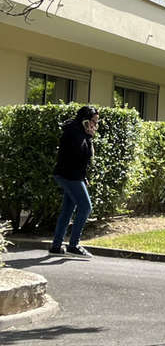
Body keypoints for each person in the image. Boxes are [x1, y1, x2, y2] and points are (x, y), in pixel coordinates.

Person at [49, 105, 99, 258]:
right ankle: (73, 245)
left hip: (71, 175)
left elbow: (82, 159)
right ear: (85, 120)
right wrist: (89, 136)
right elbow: (81, 154)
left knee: (68, 210)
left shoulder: (78, 131)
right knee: (85, 207)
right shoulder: (74, 132)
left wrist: (83, 177)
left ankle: (56, 247)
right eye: (94, 121)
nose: (95, 125)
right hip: (69, 176)